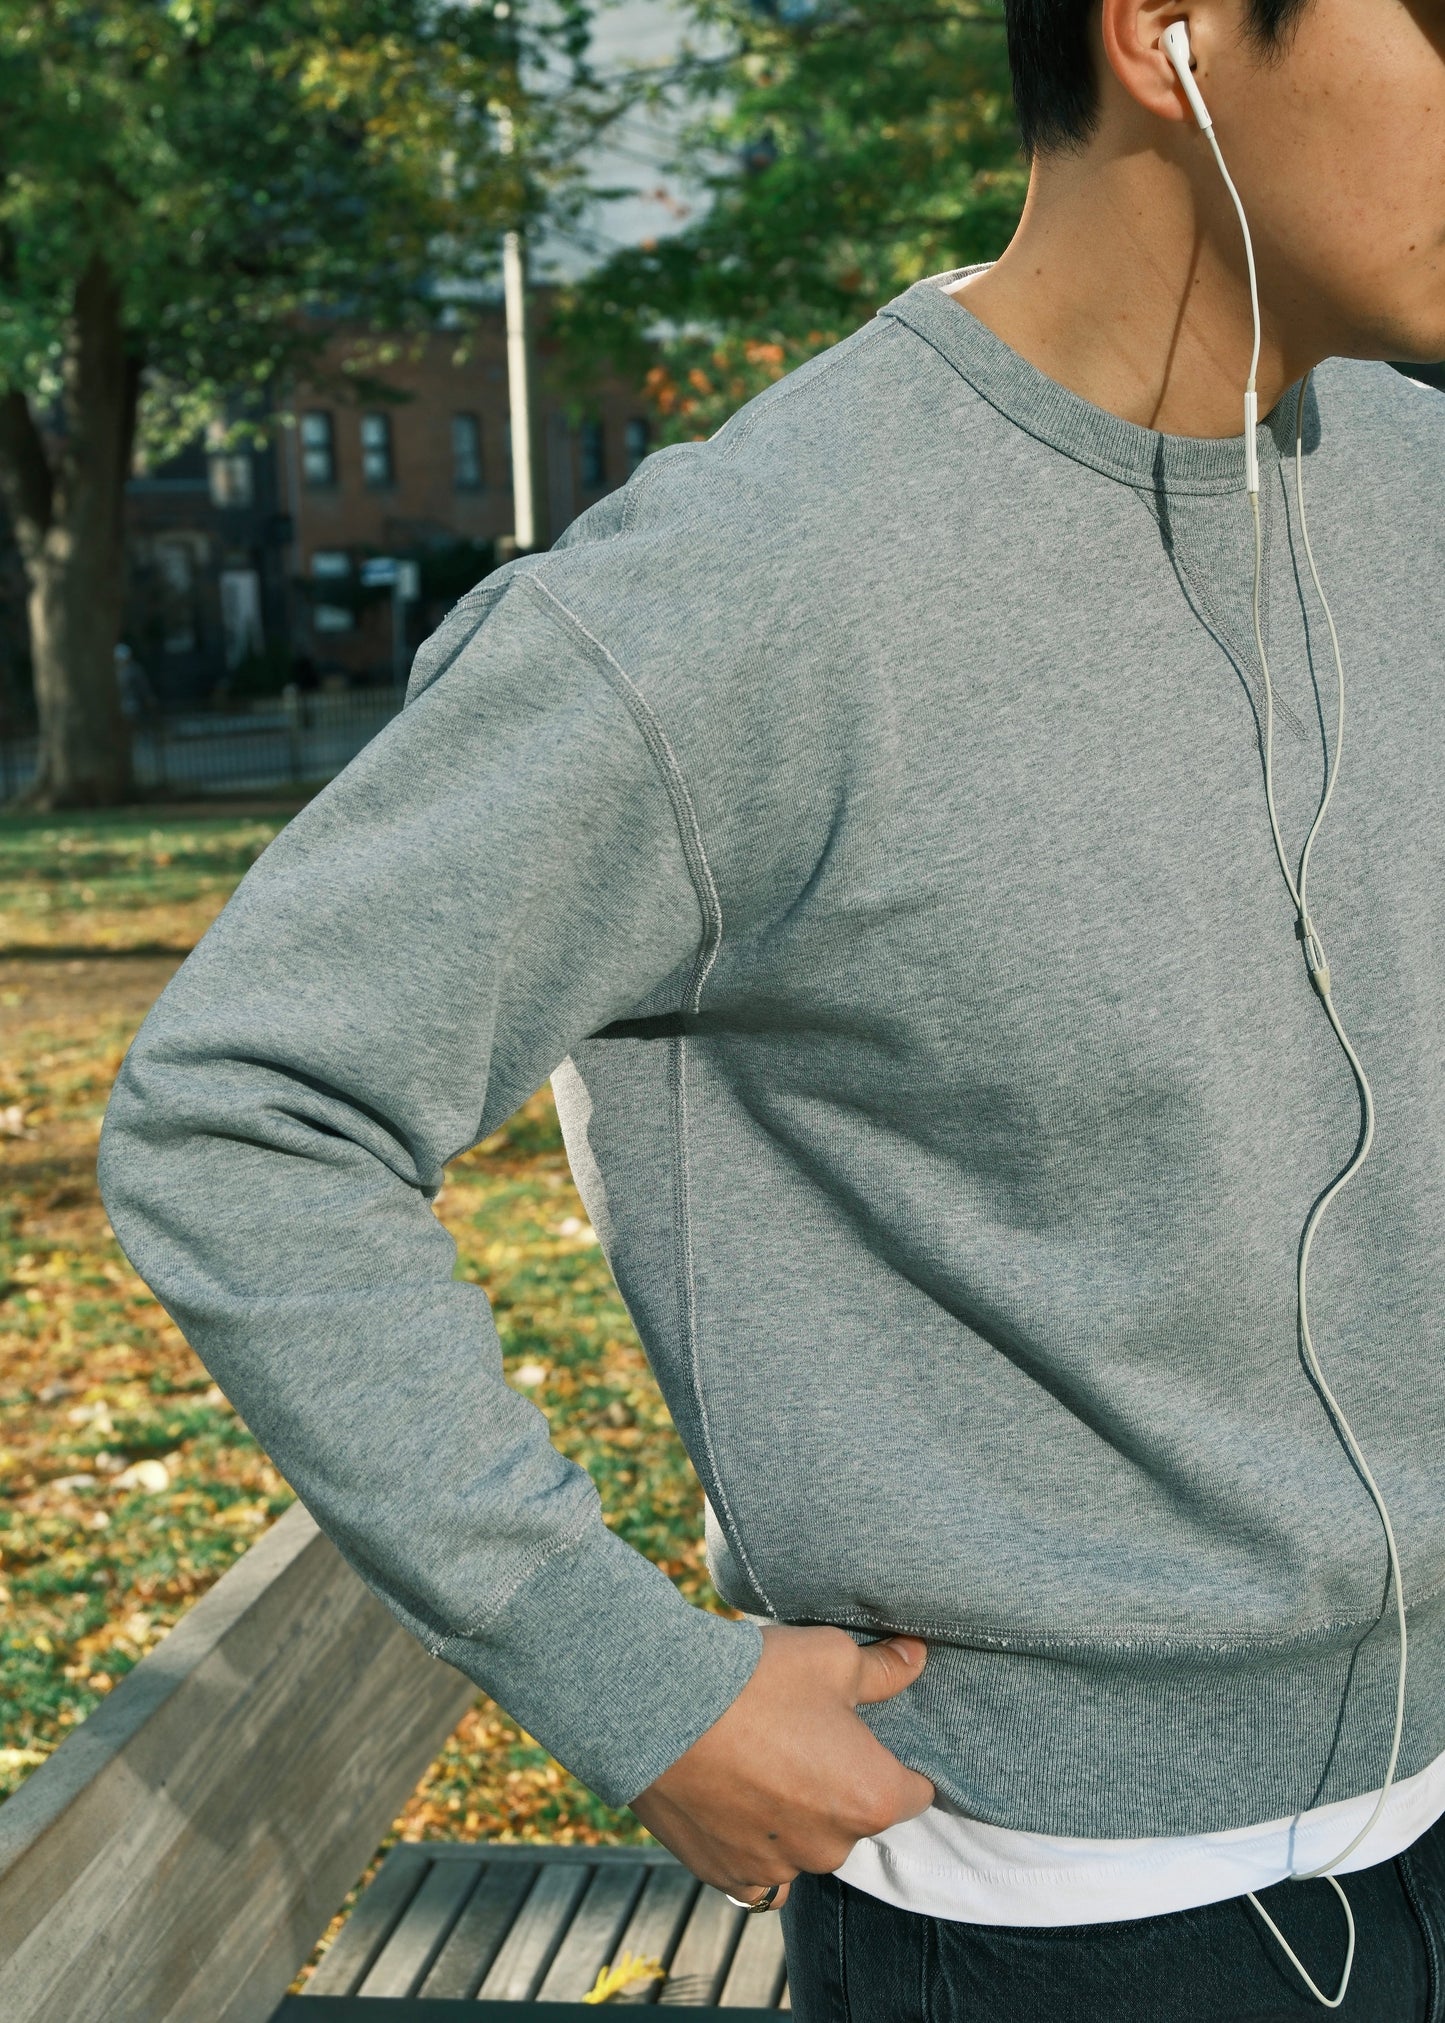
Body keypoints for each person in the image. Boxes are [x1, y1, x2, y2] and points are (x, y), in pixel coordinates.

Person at [97, 0, 1445, 2013]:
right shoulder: (761, 589)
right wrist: (633, 1682)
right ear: (1166, 36)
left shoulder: (1420, 480)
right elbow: (241, 1114)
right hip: (1052, 1919)